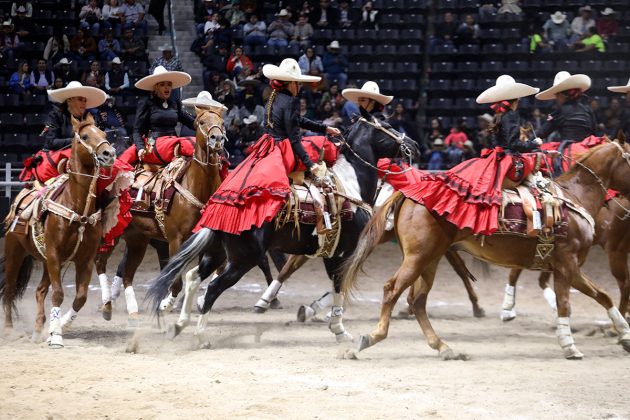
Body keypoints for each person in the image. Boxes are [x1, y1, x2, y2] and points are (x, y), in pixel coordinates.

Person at [193, 57, 341, 235]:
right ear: (291, 83)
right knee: (321, 145)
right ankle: (323, 215)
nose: (299, 87)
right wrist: (311, 164)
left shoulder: (274, 96)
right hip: (283, 149)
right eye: (297, 83)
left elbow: (296, 121)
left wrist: (324, 127)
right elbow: (294, 139)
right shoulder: (292, 101)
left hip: (268, 145)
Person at [401, 75, 541, 235]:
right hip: (509, 161)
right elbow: (515, 145)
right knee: (537, 162)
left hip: (496, 157)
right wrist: (534, 143)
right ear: (515, 100)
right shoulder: (512, 116)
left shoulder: (499, 115)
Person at [20, 81, 107, 183]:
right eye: (80, 99)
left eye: (85, 100)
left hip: (82, 158)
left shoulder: (89, 118)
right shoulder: (55, 115)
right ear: (69, 100)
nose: (84, 103)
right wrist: (76, 141)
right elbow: (50, 142)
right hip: (57, 159)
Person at [118, 66, 196, 166]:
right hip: (155, 143)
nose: (167, 87)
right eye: (162, 85)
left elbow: (186, 119)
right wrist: (140, 147)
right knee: (187, 143)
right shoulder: (146, 102)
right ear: (155, 87)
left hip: (172, 141)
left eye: (169, 84)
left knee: (198, 143)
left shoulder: (174, 103)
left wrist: (202, 124)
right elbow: (137, 130)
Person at [536, 71, 597, 141]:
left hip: (569, 149)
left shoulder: (559, 111)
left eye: (556, 95)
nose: (556, 98)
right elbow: (594, 133)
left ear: (562, 95)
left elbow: (542, 133)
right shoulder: (588, 109)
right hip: (588, 149)